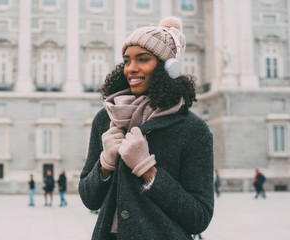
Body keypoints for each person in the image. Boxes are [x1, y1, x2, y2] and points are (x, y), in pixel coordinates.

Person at [78, 16, 214, 240]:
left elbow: (199, 217)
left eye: (142, 59)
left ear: (167, 67)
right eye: (127, 60)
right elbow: (89, 199)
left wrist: (147, 169)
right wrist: (105, 164)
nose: (131, 68)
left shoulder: (193, 129)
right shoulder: (106, 118)